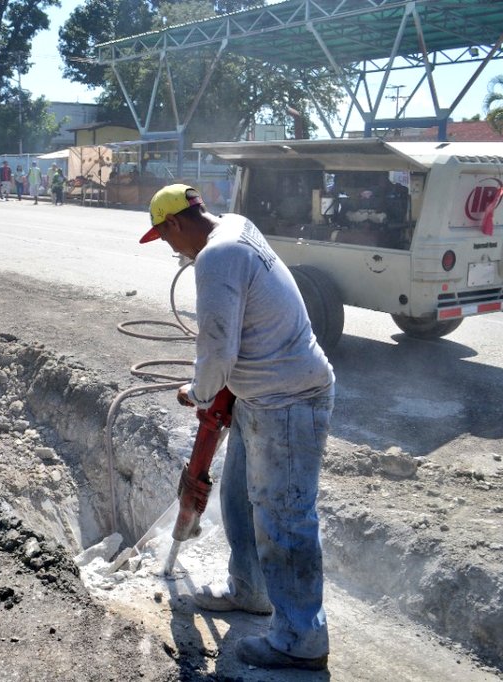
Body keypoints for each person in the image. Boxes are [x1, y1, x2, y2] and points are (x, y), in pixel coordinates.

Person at [139, 184, 334, 672]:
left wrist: (198, 393)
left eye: (164, 237)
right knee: (241, 496)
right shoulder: (236, 226)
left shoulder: (216, 257)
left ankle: (300, 639)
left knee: (284, 515)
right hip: (262, 393)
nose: (168, 248)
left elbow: (217, 350)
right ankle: (250, 589)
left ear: (177, 224)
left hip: (288, 399)